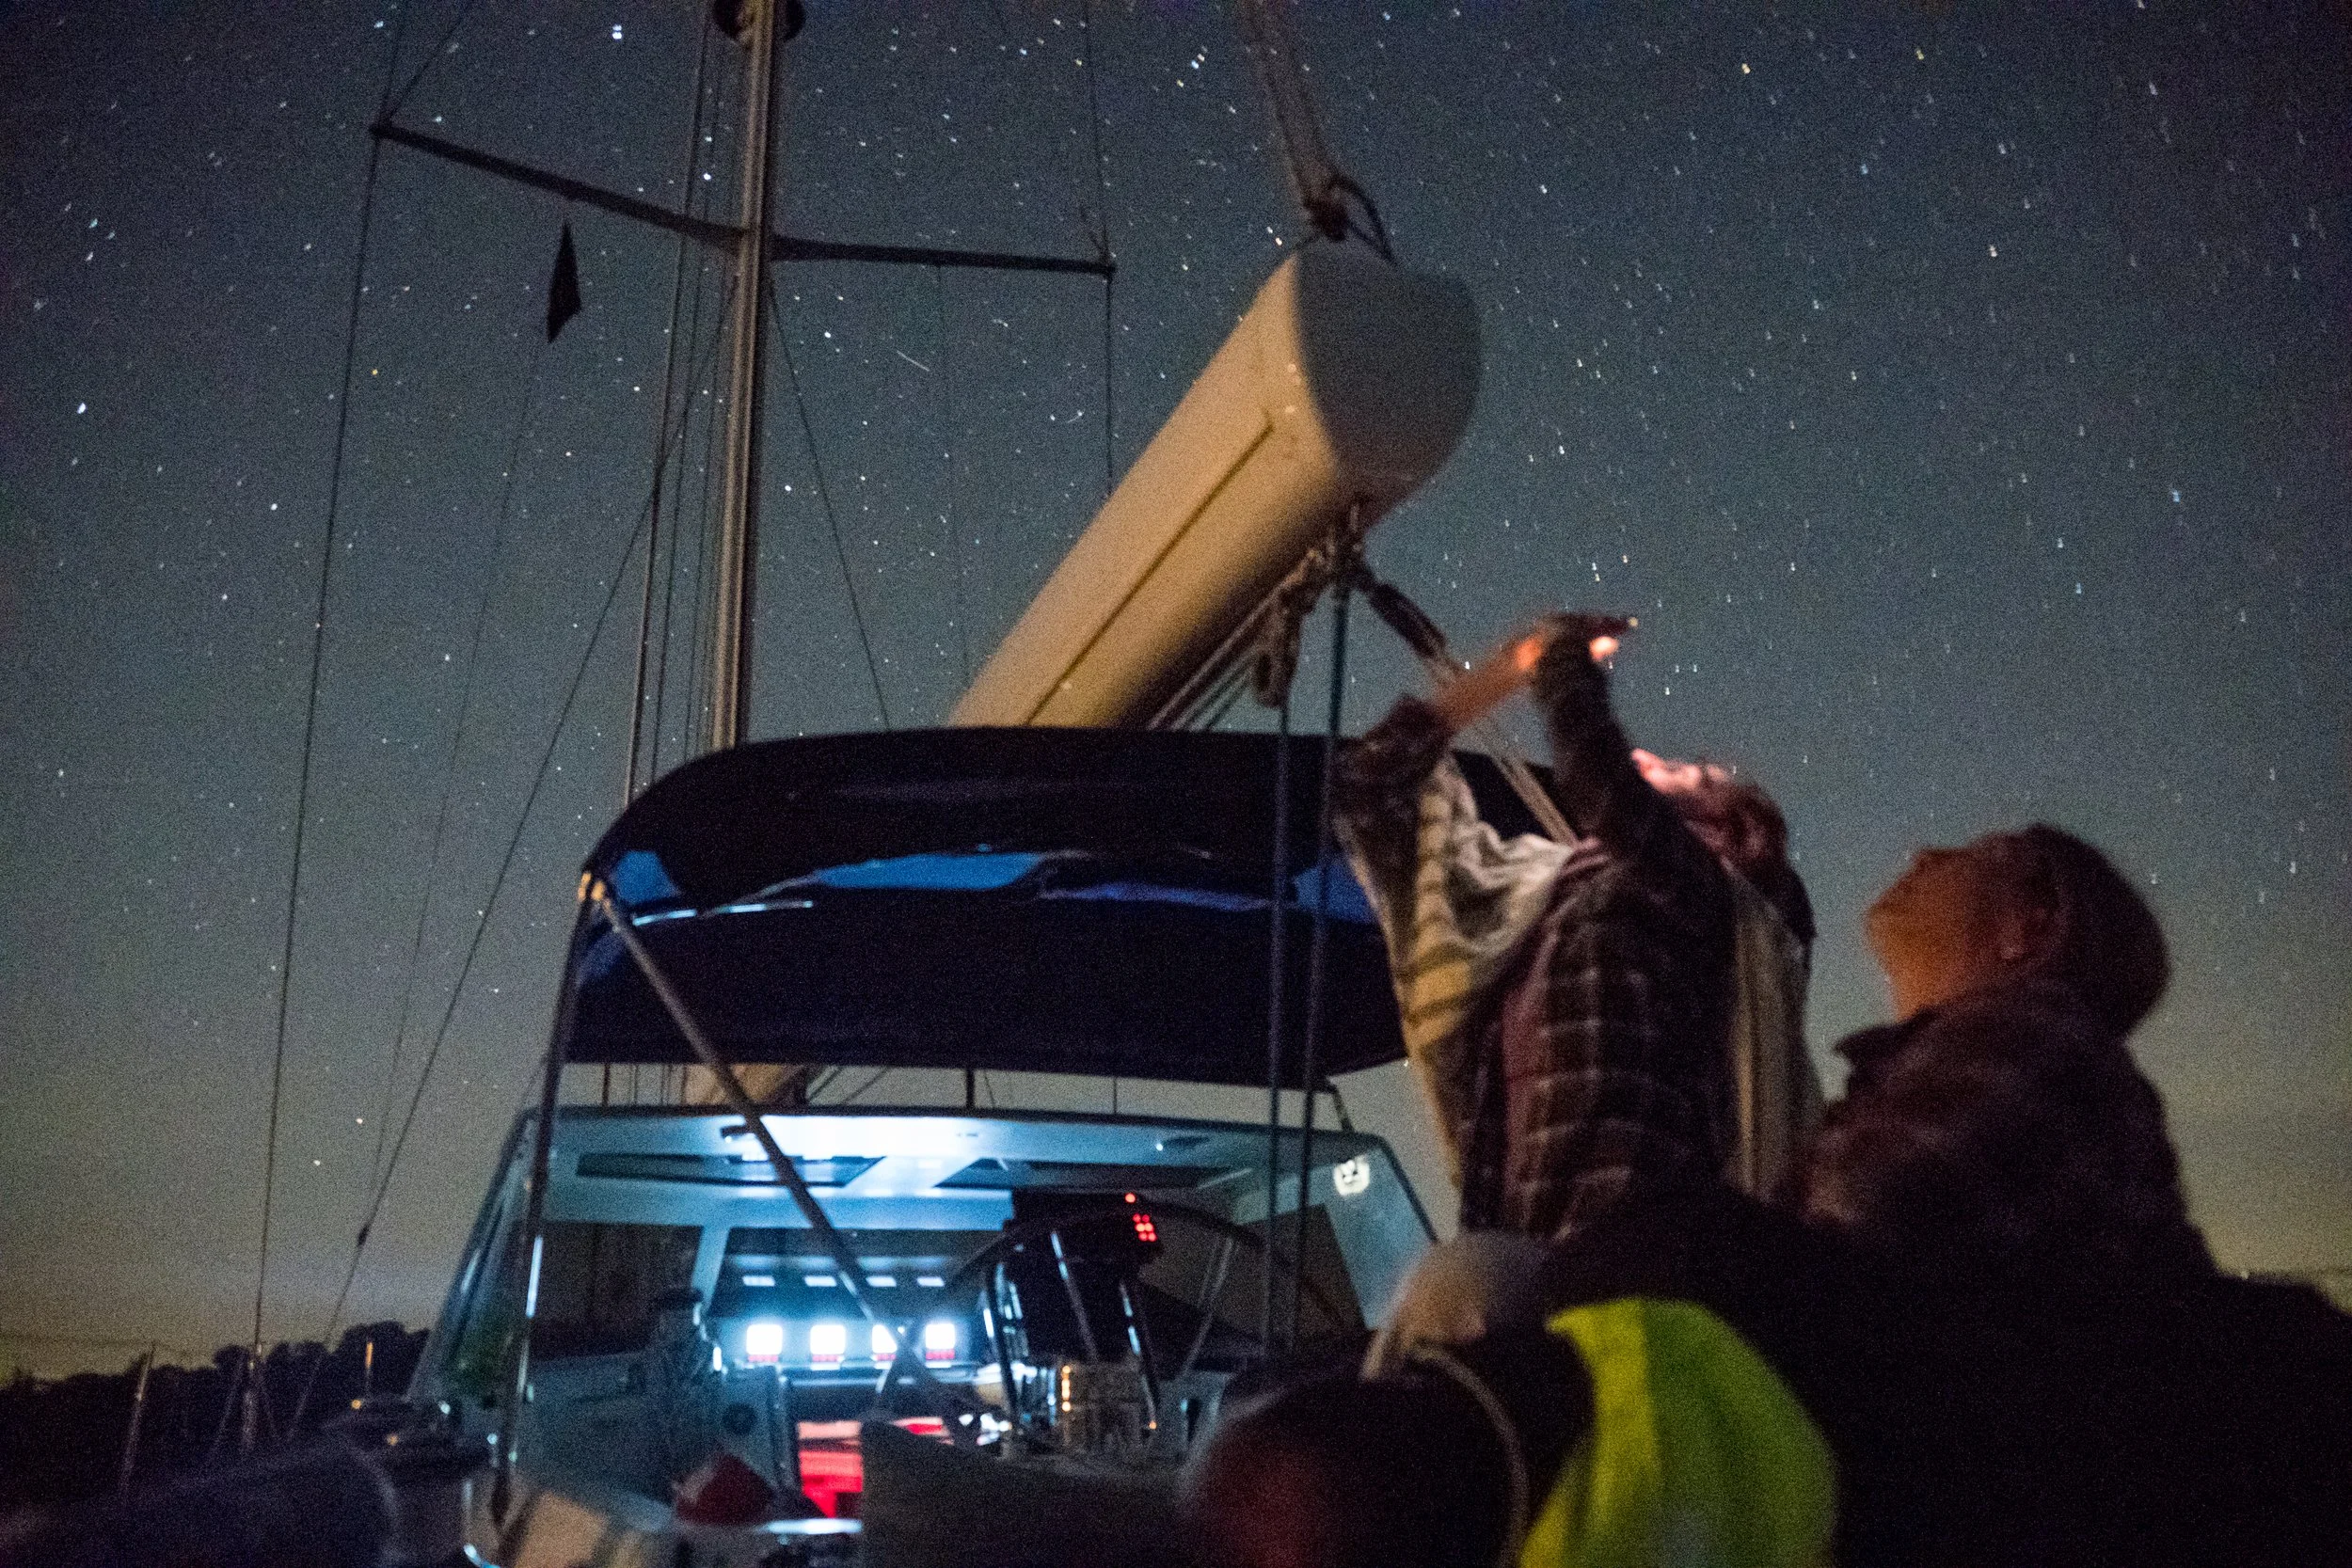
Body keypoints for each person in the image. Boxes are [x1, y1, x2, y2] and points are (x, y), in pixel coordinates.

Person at [1334, 613, 1813, 1243]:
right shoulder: (1529, 896)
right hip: (1520, 1239)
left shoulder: (1699, 895)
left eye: (1689, 776)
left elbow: (1601, 781)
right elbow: (1367, 785)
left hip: (1633, 1233)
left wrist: (1561, 657)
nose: (1646, 756)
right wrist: (1500, 673)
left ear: (1722, 833)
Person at [1798, 825, 2209, 1272]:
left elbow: (1862, 1218)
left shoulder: (2037, 1043)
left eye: (1974, 852)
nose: (1924, 852)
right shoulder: (2033, 1046)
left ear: (2026, 925)